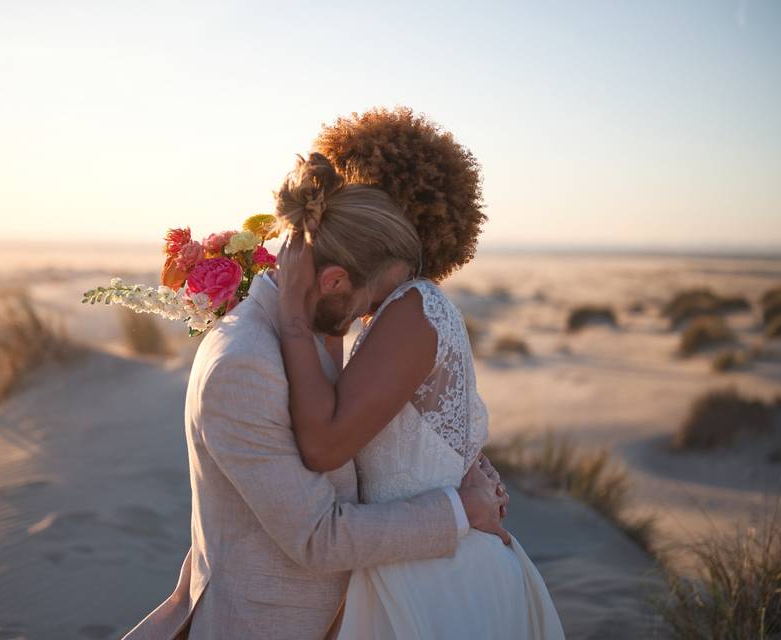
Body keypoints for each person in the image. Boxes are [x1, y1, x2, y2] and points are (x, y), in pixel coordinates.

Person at [120, 161, 509, 640]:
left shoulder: (308, 339)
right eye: (376, 300)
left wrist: (456, 454)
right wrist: (461, 510)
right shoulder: (243, 365)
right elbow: (317, 537)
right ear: (335, 281)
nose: (371, 317)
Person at [274, 108, 565, 638]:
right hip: (409, 562)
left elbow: (323, 446)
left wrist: (295, 312)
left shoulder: (413, 309)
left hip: (434, 583)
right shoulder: (393, 310)